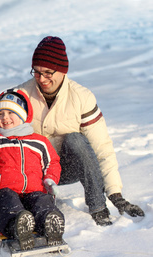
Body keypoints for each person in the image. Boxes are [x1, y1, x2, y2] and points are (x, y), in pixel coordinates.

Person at [15, 36, 145, 226]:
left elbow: (102, 148)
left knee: (76, 139)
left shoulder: (81, 97)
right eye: (36, 72)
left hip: (65, 169)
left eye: (48, 72)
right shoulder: (21, 95)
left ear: (62, 70)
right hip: (32, 172)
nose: (41, 79)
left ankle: (98, 208)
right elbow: (4, 140)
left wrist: (115, 194)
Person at [0, 89, 65, 251]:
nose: (4, 118)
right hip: (5, 190)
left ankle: (49, 223)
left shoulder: (39, 141)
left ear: (23, 115)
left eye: (10, 113)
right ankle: (18, 227)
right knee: (9, 205)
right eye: (0, 114)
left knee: (42, 202)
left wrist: (50, 179)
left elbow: (52, 162)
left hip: (35, 189)